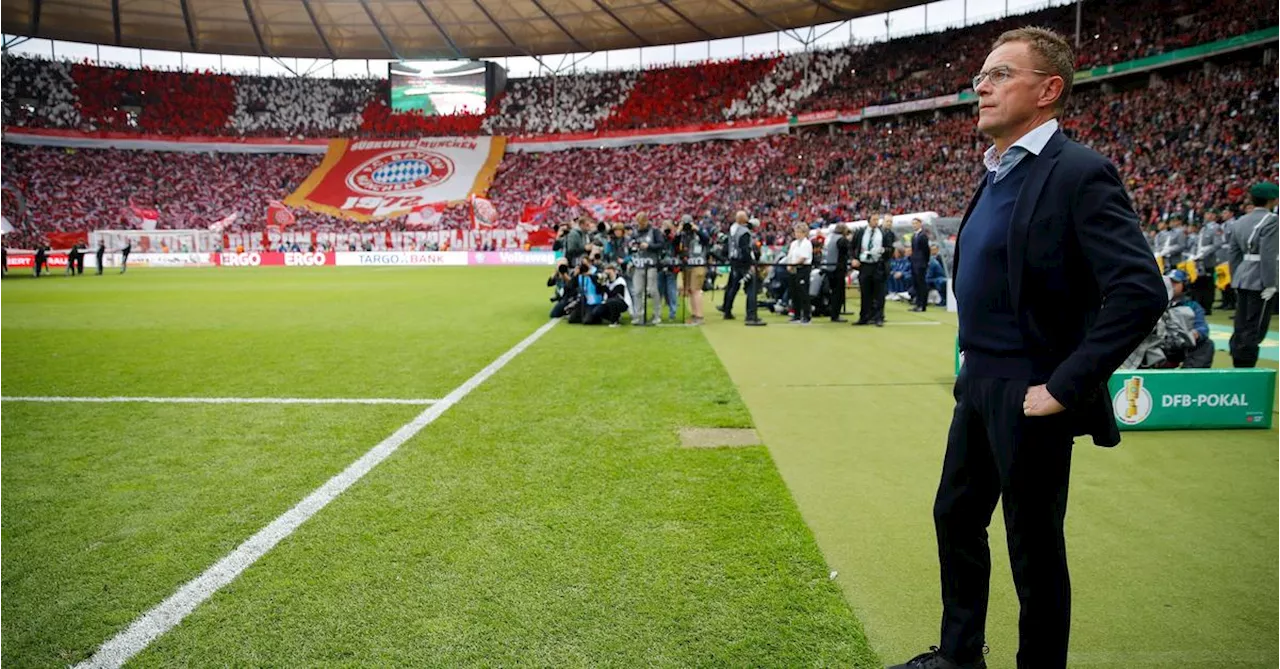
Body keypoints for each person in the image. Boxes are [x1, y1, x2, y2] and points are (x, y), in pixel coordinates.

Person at [890, 28, 1165, 669]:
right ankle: (960, 656)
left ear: (1048, 91)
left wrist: (1066, 386)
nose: (980, 86)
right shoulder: (991, 173)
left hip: (1033, 391)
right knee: (956, 519)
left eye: (1000, 74)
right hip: (978, 383)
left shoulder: (1080, 172)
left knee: (1032, 546)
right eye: (980, 75)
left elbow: (1139, 291)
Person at [1226, 182, 1279, 368]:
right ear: (1273, 200)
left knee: (1240, 324)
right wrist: (1271, 283)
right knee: (1255, 327)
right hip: (1260, 280)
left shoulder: (1240, 221)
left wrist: (1235, 278)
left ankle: (1237, 361)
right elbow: (1268, 255)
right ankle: (1246, 366)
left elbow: (1233, 255)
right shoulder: (1271, 220)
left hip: (1242, 277)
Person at [1165, 269, 1214, 368]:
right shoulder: (1154, 302)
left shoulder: (1193, 306)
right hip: (1158, 344)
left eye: (1175, 283)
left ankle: (1191, 377)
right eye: (1168, 282)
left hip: (1181, 344)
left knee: (1206, 344)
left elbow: (1202, 329)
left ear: (1184, 286)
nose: (1171, 286)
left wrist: (1193, 335)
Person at [851, 215, 895, 326]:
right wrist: (854, 258)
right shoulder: (861, 232)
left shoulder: (882, 233)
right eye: (874, 220)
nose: (876, 222)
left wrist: (883, 250)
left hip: (878, 265)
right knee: (865, 293)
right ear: (869, 221)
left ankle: (878, 317)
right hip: (865, 265)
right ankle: (864, 317)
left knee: (879, 293)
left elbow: (890, 249)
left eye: (877, 220)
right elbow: (852, 247)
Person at [628, 213, 665, 325]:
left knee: (653, 290)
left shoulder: (654, 231)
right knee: (637, 291)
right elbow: (630, 246)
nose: (640, 225)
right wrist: (633, 246)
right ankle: (638, 315)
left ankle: (657, 314)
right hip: (638, 264)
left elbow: (661, 245)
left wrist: (649, 246)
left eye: (642, 223)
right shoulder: (635, 233)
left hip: (651, 264)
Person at [677, 214, 710, 324]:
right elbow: (675, 245)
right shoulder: (682, 234)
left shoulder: (699, 233)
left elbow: (707, 240)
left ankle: (699, 316)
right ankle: (695, 314)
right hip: (687, 265)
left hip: (698, 264)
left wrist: (697, 230)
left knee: (696, 290)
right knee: (690, 290)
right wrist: (678, 232)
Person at [1192, 209, 1225, 314]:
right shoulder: (1203, 228)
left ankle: (1207, 307)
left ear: (1214, 216)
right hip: (1198, 260)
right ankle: (1199, 305)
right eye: (1206, 213)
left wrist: (1204, 253)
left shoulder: (1216, 228)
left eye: (1210, 213)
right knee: (1199, 284)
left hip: (1208, 260)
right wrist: (1194, 254)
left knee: (1208, 285)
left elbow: (1217, 244)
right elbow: (1197, 244)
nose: (1207, 215)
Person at [783, 223, 813, 324]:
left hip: (803, 268)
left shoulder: (807, 243)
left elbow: (803, 258)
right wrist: (789, 265)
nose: (797, 234)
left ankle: (806, 315)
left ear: (804, 233)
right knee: (794, 292)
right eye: (796, 232)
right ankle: (796, 315)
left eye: (799, 232)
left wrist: (793, 264)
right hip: (793, 269)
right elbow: (790, 255)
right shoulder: (794, 243)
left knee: (803, 292)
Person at [825, 223, 851, 322]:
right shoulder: (841, 240)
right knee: (838, 293)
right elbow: (846, 252)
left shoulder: (831, 238)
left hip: (830, 267)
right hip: (838, 269)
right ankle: (835, 315)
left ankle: (833, 312)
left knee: (833, 292)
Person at [911, 218, 931, 311]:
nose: (914, 225)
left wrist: (925, 262)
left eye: (916, 223)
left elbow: (926, 250)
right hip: (915, 262)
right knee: (916, 284)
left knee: (921, 283)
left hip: (921, 263)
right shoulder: (914, 236)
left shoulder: (923, 236)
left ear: (920, 224)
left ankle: (923, 305)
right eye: (913, 223)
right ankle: (918, 303)